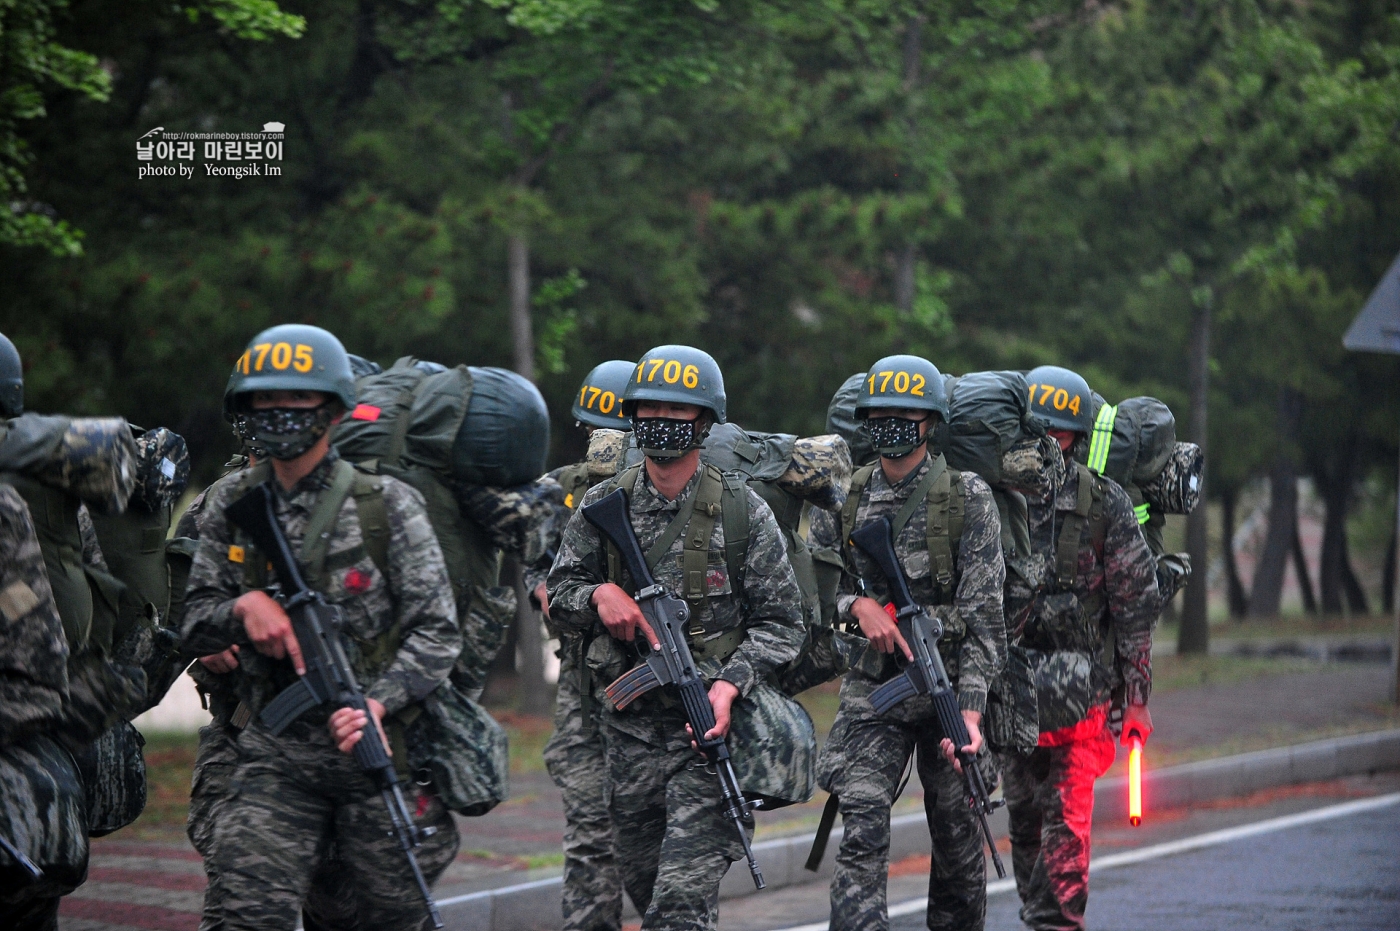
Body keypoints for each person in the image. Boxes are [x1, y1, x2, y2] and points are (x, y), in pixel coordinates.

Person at [179, 323, 461, 931]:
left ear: (331, 412)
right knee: (242, 911)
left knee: (383, 917)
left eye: (296, 402)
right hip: (275, 756)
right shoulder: (231, 506)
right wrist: (244, 608)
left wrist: (378, 704)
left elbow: (437, 634)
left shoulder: (386, 506)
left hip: (374, 757)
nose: (279, 415)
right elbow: (194, 623)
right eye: (265, 402)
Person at [547, 345, 805, 931]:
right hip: (629, 736)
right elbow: (559, 593)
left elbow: (783, 625)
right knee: (643, 884)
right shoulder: (601, 504)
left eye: (678, 411)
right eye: (650, 409)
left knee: (680, 906)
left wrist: (730, 685)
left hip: (706, 740)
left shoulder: (744, 511)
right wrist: (597, 596)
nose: (661, 422)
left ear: (704, 421)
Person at [817, 354, 1007, 931]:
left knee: (955, 835)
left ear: (931, 422)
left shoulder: (967, 496)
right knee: (863, 822)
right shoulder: (840, 497)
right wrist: (857, 609)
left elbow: (984, 622)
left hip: (949, 685)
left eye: (908, 414)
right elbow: (813, 604)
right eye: (882, 414)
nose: (893, 424)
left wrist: (970, 714)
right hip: (876, 691)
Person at [1002, 365, 1160, 931]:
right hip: (1013, 694)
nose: (1047, 442)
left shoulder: (1104, 504)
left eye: (1059, 432)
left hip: (1085, 699)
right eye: (1036, 429)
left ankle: (1056, 924)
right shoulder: (999, 498)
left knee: (1066, 827)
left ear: (1075, 436)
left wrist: (1137, 700)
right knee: (1024, 822)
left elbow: (1136, 604)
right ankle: (1040, 915)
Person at [525, 359, 634, 931]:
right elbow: (533, 570)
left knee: (658, 840)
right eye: (594, 430)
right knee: (590, 833)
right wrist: (551, 590)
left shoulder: (666, 495)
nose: (602, 442)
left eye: (614, 430)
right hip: (584, 687)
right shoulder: (556, 492)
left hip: (654, 686)